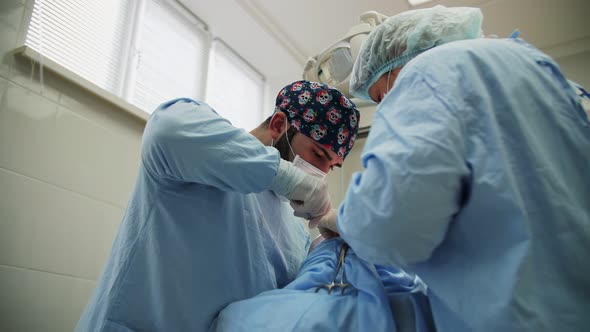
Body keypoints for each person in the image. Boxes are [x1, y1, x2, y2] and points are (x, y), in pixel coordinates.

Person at [314, 5, 590, 331]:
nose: (388, 103)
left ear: (398, 64)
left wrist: (341, 220)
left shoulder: (429, 70)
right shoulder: (546, 74)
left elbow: (390, 224)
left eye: (382, 94)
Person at [75, 80, 360, 331]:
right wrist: (286, 176)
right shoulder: (200, 153)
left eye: (332, 166)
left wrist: (327, 252)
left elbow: (277, 310)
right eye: (319, 154)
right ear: (278, 125)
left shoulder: (294, 232)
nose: (321, 172)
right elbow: (167, 130)